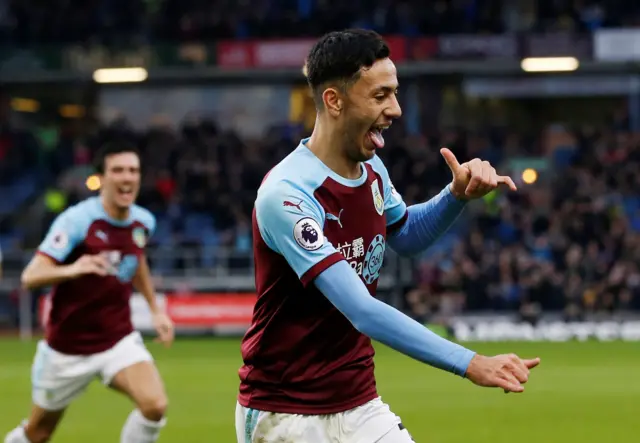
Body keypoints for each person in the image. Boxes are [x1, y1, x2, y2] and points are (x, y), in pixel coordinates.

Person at [235, 29, 540, 443]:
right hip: (285, 412)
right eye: (380, 96)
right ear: (334, 100)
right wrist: (470, 363)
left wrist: (455, 196)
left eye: (395, 94)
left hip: (359, 403)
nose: (395, 109)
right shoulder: (286, 195)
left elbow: (405, 236)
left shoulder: (372, 169)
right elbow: (361, 309)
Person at [4, 142, 173, 443]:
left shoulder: (143, 222)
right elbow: (31, 276)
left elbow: (137, 261)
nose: (127, 177)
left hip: (116, 339)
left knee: (155, 405)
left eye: (133, 170)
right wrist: (73, 268)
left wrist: (155, 310)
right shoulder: (77, 221)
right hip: (67, 349)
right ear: (102, 179)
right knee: (39, 433)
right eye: (118, 170)